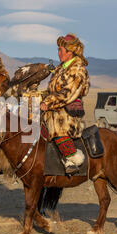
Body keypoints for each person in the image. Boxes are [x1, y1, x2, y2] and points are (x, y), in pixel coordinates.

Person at [40, 33, 90, 174]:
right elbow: (52, 91)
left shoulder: (78, 69)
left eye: (61, 50)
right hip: (56, 107)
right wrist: (36, 97)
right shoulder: (60, 68)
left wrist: (48, 102)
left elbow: (69, 93)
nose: (58, 53)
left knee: (56, 123)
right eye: (58, 49)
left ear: (70, 52)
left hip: (67, 113)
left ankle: (73, 157)